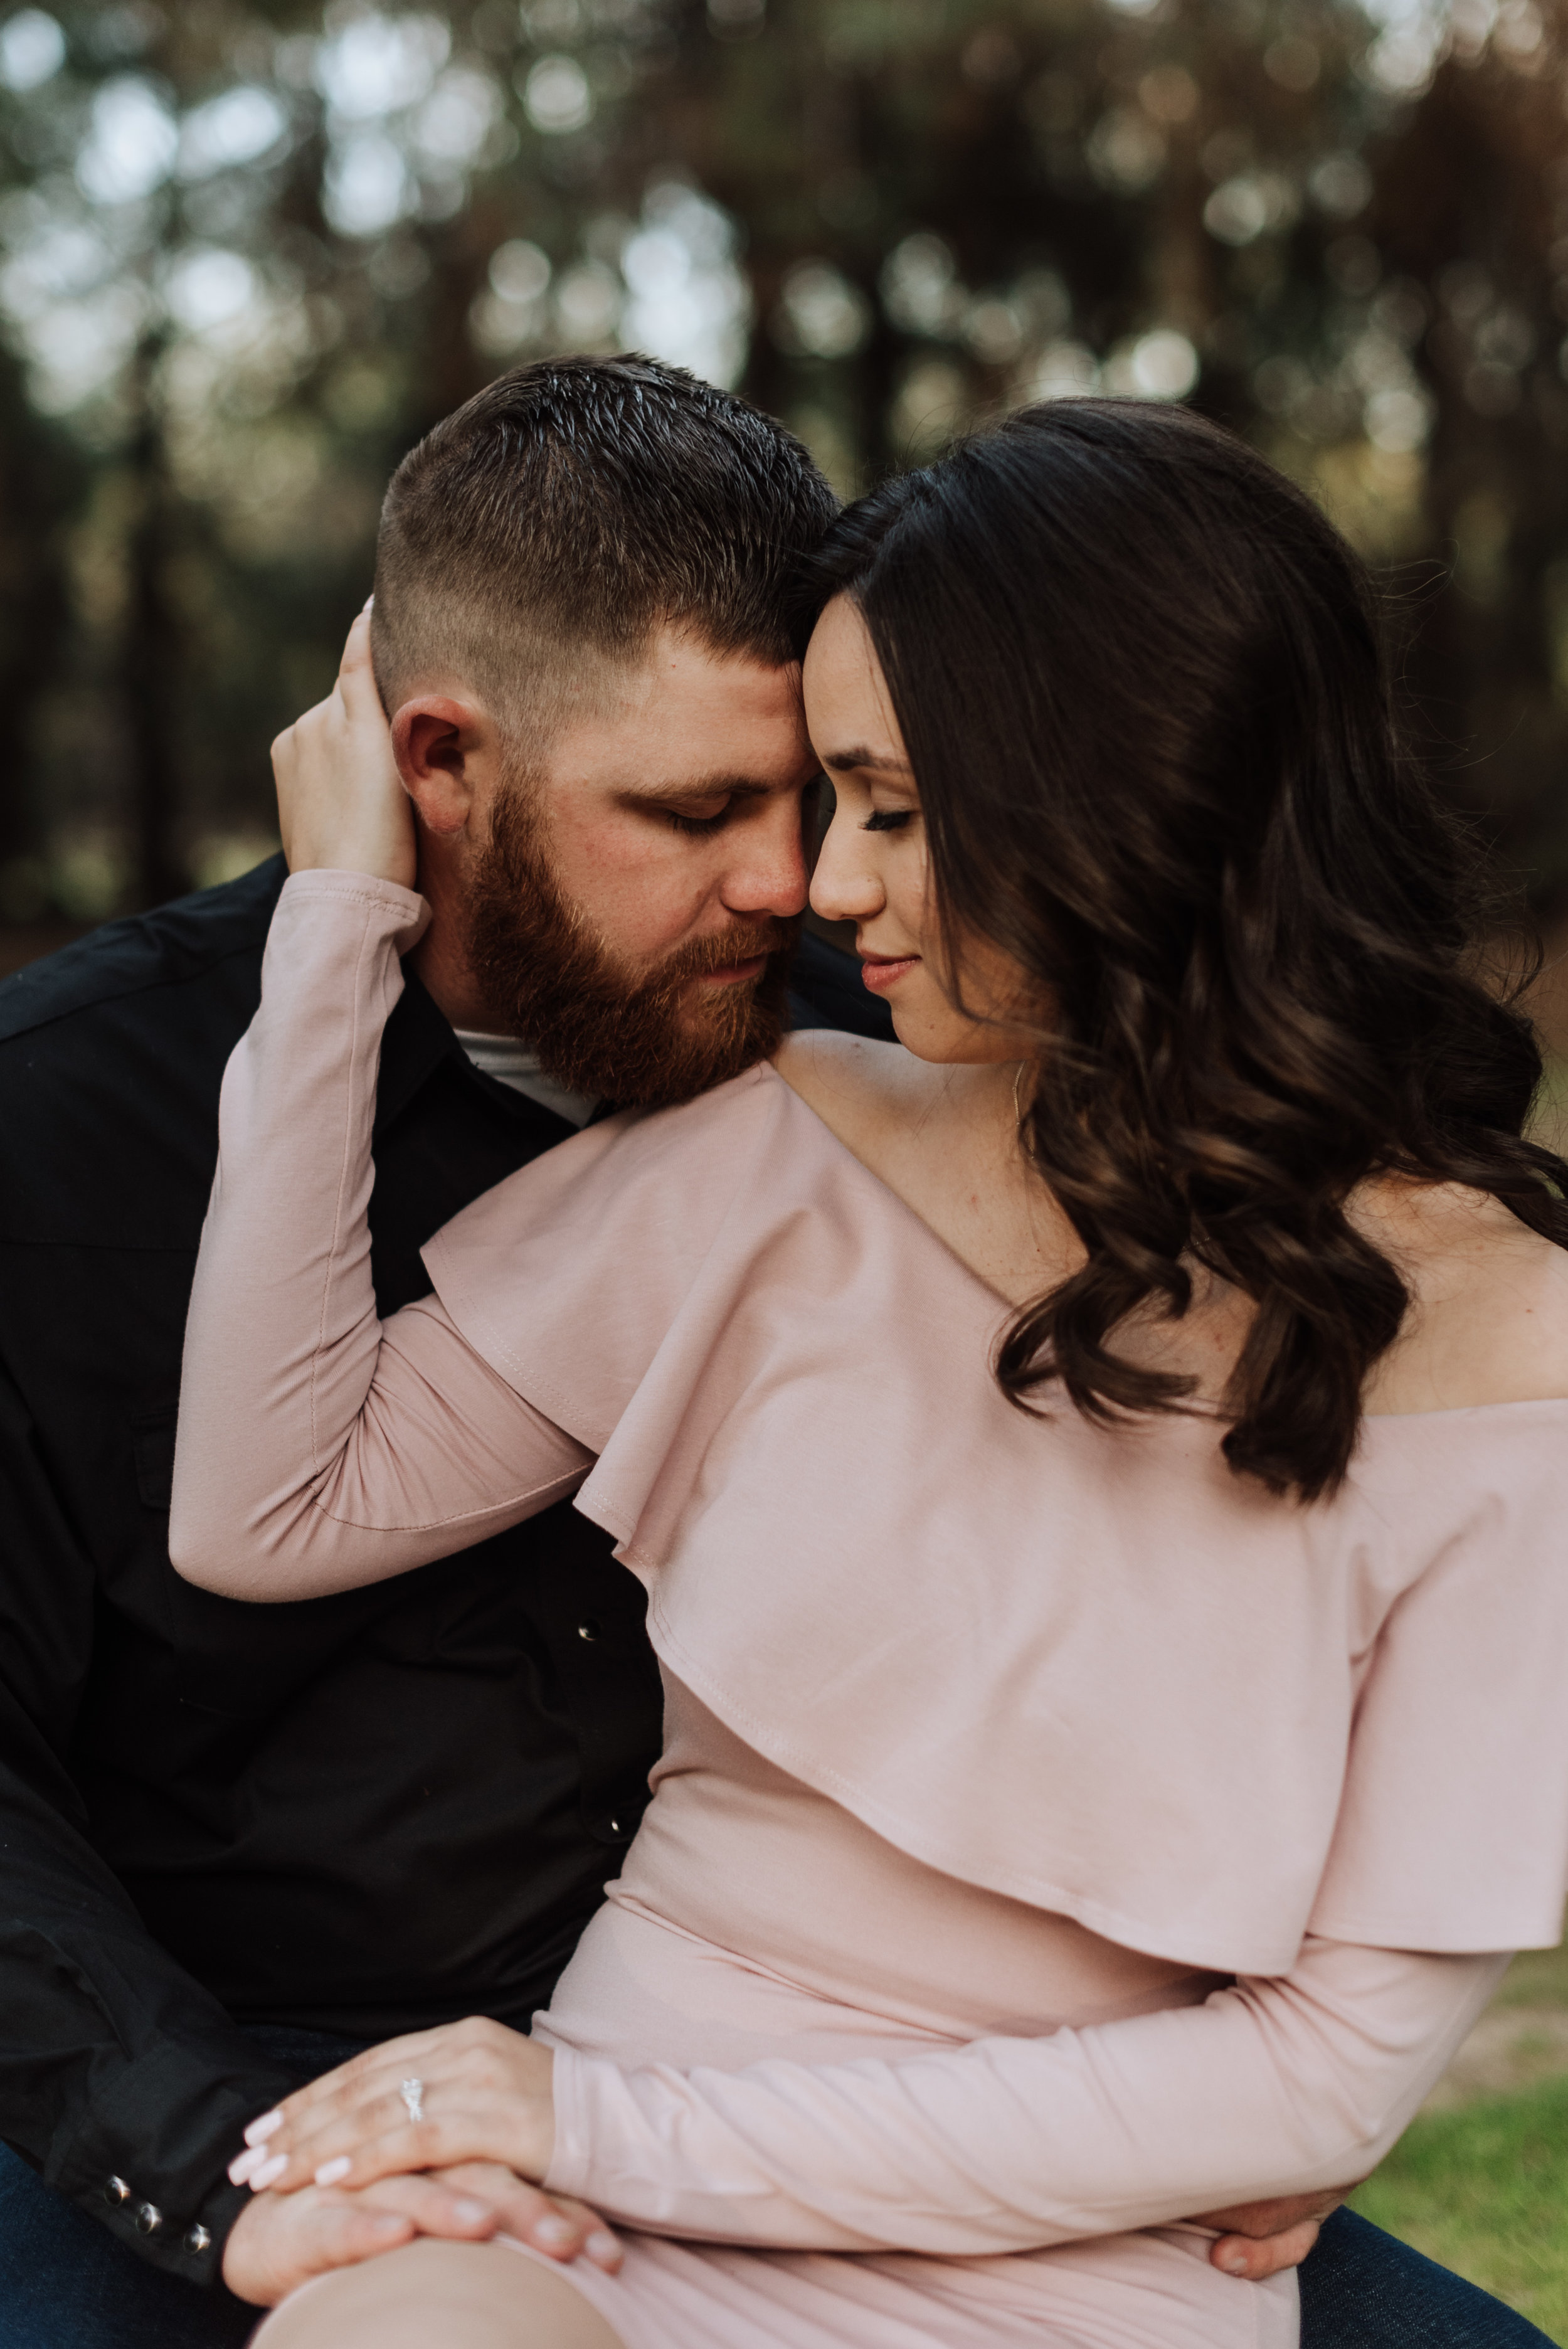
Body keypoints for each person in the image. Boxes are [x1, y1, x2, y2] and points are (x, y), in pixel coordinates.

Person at [169, 398, 1568, 2349]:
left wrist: (608, 2117)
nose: (824, 890)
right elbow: (267, 1504)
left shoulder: (1516, 1354)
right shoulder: (791, 1139)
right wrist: (338, 927)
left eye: (890, 810)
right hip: (574, 2227)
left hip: (1050, 2275)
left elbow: (1320, 2082)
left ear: (1131, 798)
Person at [0, 356, 887, 2349]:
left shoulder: (879, 1062)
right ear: (434, 758)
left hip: (798, 2072)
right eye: (694, 808)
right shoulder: (55, 1129)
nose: (791, 879)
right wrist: (226, 2158)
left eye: (813, 794)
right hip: (233, 2071)